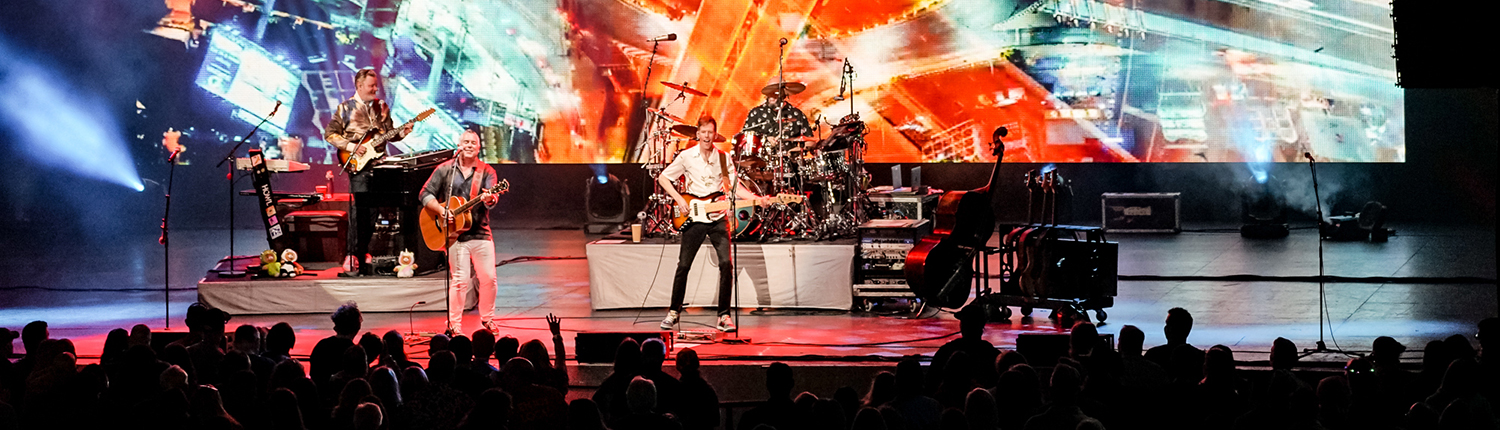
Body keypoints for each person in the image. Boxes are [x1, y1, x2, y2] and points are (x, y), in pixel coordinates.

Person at [656, 116, 771, 332]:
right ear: (698, 134)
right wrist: (680, 199)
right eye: (704, 132)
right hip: (694, 217)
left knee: (726, 265)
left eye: (711, 133)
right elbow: (663, 178)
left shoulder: (723, 158)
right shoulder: (686, 156)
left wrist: (758, 199)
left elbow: (734, 187)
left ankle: (724, 316)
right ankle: (673, 311)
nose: (708, 137)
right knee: (683, 265)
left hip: (718, 218)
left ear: (715, 135)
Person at [326, 68, 414, 276]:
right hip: (357, 163)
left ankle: (365, 250)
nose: (375, 89)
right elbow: (330, 134)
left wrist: (402, 133)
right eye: (371, 85)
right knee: (359, 212)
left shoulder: (381, 107)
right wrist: (351, 147)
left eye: (376, 85)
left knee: (374, 211)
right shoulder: (344, 108)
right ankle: (352, 254)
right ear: (359, 86)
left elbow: (389, 134)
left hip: (379, 165)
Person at [421, 129, 502, 336]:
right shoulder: (444, 169)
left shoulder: (487, 172)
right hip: (454, 236)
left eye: (473, 143)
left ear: (479, 147)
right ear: (459, 145)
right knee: (459, 280)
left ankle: (488, 319)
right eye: (465, 142)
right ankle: (455, 325)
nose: (469, 145)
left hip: (480, 233)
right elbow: (425, 193)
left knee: (489, 278)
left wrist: (490, 198)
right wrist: (441, 210)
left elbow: (493, 198)